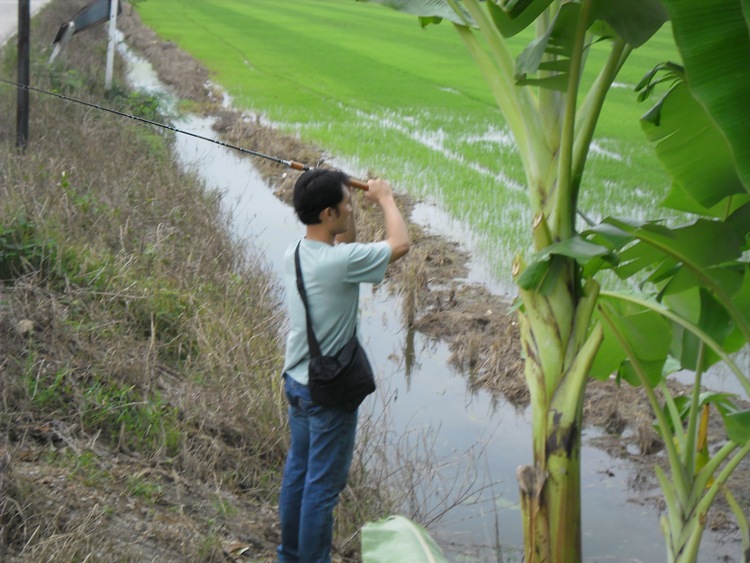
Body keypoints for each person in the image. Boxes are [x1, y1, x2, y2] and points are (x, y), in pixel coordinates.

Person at [277, 168, 410, 563]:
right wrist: (385, 198)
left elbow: (345, 248)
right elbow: (401, 243)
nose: (353, 207)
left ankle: (290, 556)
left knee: (298, 475)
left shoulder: (297, 253)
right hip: (328, 392)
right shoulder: (339, 263)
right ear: (328, 214)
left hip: (298, 382)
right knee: (322, 488)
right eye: (347, 204)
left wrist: (346, 206)